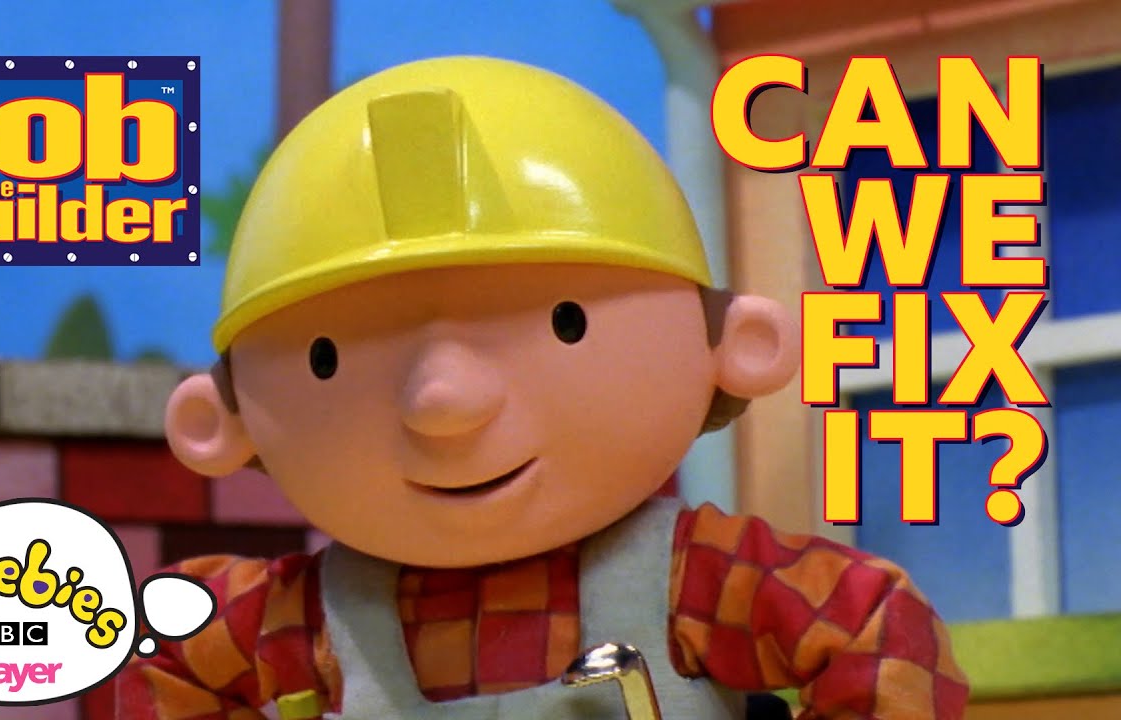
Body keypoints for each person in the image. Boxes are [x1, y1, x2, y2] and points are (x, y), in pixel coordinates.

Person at [116, 56, 967, 720]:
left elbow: (876, 632)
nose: (441, 402)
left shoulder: (694, 580)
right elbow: (169, 652)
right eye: (329, 356)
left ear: (737, 346)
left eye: (567, 321)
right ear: (219, 422)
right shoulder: (308, 617)